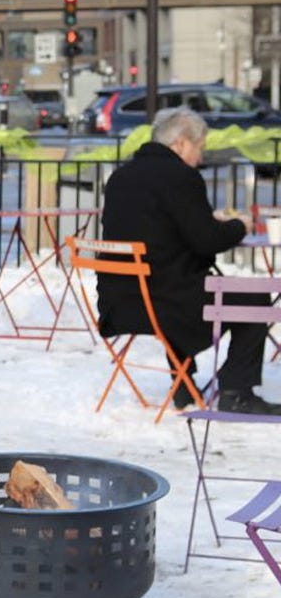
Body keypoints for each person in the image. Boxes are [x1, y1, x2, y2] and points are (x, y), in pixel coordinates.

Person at [99, 106, 280, 415]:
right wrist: (239, 226)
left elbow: (162, 230)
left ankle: (182, 385)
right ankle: (237, 391)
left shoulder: (121, 177)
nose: (201, 157)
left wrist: (206, 222)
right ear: (181, 143)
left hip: (120, 301)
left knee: (186, 282)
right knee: (256, 297)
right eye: (200, 148)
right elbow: (206, 241)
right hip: (166, 302)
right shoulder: (181, 177)